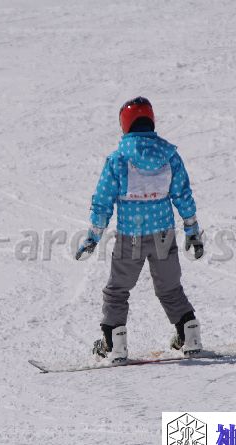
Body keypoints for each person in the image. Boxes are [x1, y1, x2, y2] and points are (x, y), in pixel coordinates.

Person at [75, 96, 204, 363]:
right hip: (163, 235)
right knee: (169, 287)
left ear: (125, 124)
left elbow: (103, 200)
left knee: (117, 290)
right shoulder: (169, 156)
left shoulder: (119, 159)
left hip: (130, 237)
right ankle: (189, 332)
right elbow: (183, 194)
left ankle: (114, 342)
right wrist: (192, 228)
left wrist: (93, 236)